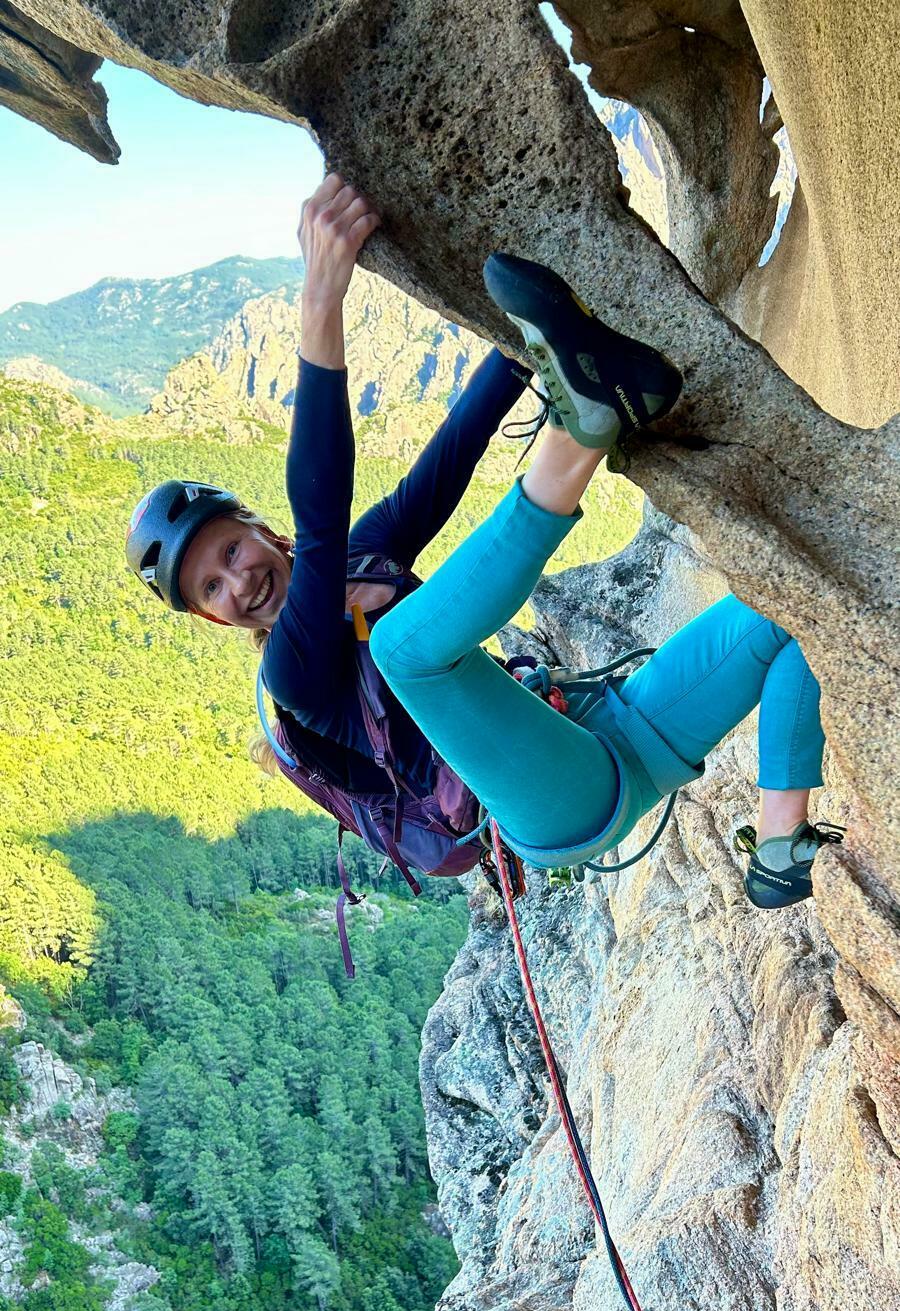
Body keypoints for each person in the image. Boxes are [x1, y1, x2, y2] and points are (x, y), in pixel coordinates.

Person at [126, 175, 842, 910]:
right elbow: (322, 512)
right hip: (552, 805)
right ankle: (583, 428)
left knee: (794, 601)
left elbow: (448, 461)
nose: (238, 583)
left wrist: (526, 343)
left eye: (229, 553)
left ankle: (779, 850)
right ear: (213, 619)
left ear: (259, 532)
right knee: (403, 647)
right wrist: (321, 299)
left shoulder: (362, 558)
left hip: (606, 736)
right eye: (211, 589)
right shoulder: (293, 674)